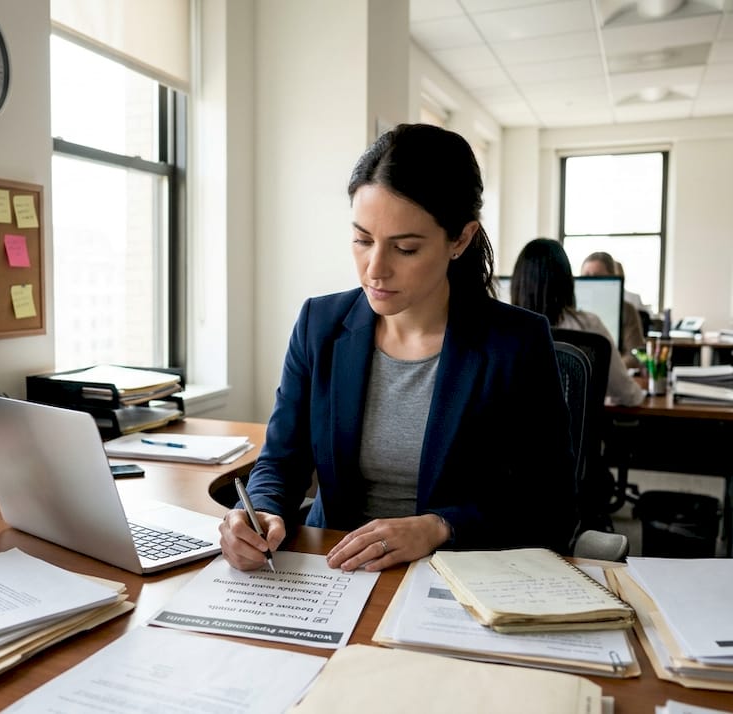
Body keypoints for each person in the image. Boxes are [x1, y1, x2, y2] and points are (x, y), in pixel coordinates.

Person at [219, 124, 576, 574]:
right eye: (363, 239)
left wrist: (439, 527)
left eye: (405, 248)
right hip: (335, 571)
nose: (375, 269)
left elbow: (552, 507)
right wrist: (260, 513)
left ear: (460, 240)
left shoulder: (515, 343)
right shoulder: (319, 325)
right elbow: (280, 463)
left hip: (456, 579)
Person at [517, 240, 646, 408]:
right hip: (569, 434)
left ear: (517, 284)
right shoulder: (588, 325)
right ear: (568, 281)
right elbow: (628, 394)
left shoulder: (502, 328)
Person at [579, 252, 647, 366]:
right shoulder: (573, 310)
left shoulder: (627, 310)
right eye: (586, 276)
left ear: (612, 276)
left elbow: (635, 355)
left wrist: (609, 369)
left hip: (614, 371)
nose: (590, 281)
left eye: (597, 277)